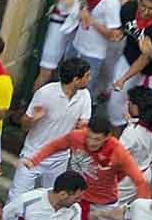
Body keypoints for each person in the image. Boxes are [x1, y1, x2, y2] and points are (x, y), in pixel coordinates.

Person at [23, 115, 150, 220]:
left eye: (96, 139)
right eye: (88, 136)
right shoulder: (75, 136)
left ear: (107, 137)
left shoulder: (118, 152)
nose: (91, 142)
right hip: (78, 197)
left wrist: (144, 211)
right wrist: (35, 160)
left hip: (104, 202)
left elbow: (139, 181)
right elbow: (55, 146)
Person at [7, 57, 92, 205]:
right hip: (32, 155)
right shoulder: (45, 93)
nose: (89, 79)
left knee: (53, 203)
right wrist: (33, 119)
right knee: (16, 200)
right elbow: (24, 125)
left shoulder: (84, 96)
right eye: (87, 76)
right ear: (76, 80)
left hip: (59, 158)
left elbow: (83, 124)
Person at [36, 0, 104, 90]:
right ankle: (30, 104)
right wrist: (72, 3)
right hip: (59, 23)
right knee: (46, 70)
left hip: (74, 26)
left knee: (64, 72)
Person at [106, 0, 152, 130]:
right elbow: (124, 28)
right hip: (129, 57)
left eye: (151, 9)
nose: (146, 12)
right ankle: (116, 128)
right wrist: (119, 34)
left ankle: (139, 133)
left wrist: (124, 79)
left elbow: (144, 60)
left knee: (146, 107)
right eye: (143, 6)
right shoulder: (128, 9)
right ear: (139, 2)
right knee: (116, 96)